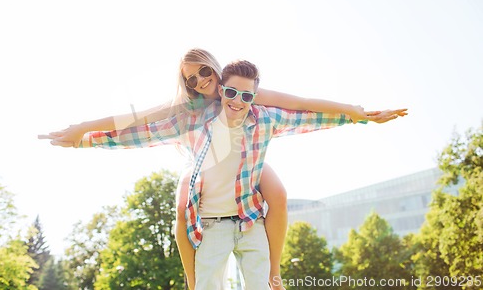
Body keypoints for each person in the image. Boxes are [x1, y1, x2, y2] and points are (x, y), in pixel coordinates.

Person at [40, 48, 407, 289]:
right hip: (200, 163)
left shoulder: (249, 98)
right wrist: (83, 133)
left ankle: (273, 273)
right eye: (192, 80)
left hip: (248, 166)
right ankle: (192, 280)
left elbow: (304, 107)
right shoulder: (188, 111)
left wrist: (359, 114)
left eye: (204, 73)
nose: (201, 82)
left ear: (216, 70)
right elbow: (134, 125)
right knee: (184, 203)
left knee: (277, 194)